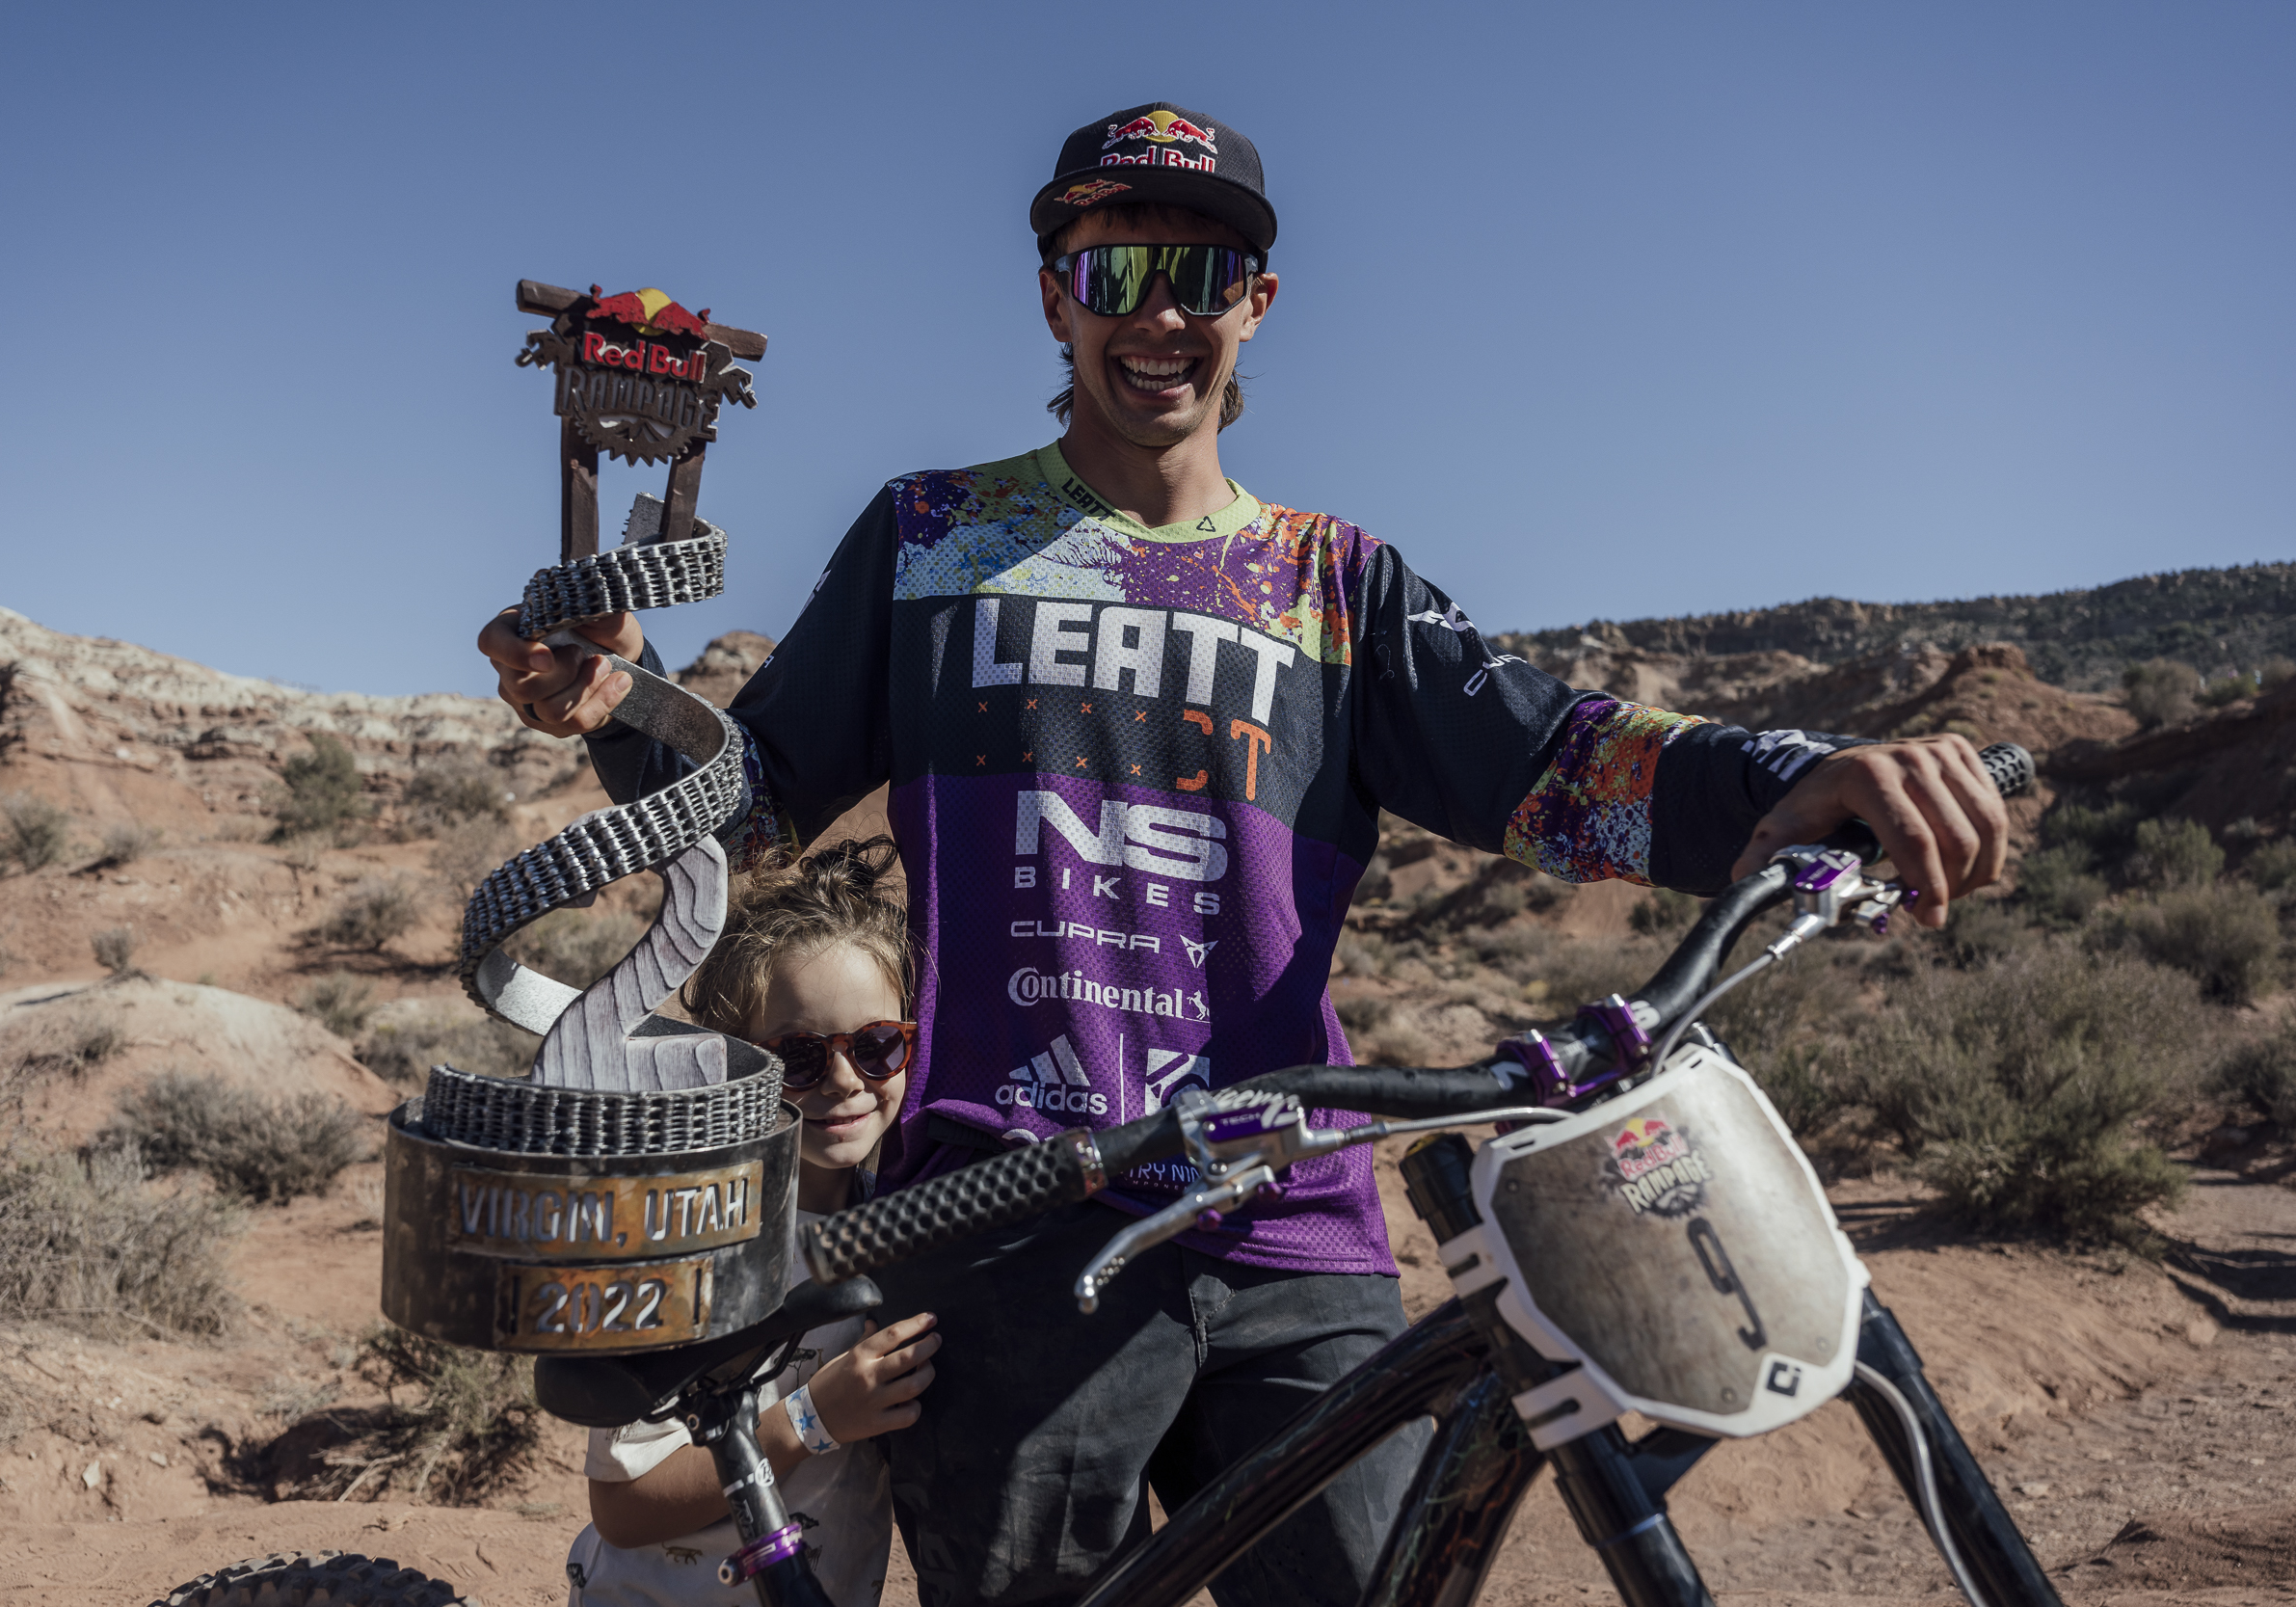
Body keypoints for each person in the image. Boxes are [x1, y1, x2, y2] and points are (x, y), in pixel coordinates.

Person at [493, 102, 2009, 1607]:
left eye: (1202, 277)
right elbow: (753, 804)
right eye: (1113, 271)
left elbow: (1556, 763)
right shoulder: (932, 541)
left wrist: (1799, 777)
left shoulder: (1333, 585)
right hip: (1012, 1225)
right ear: (1052, 298)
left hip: (1291, 1215)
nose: (1158, 313)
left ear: (1256, 308)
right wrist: (623, 705)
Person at [565, 838, 940, 1607]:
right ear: (732, 1062)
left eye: (877, 1046)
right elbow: (624, 1505)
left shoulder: (905, 1221)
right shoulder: (688, 1236)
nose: (846, 1081)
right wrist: (814, 1416)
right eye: (800, 1057)